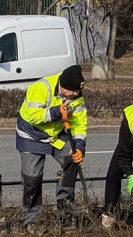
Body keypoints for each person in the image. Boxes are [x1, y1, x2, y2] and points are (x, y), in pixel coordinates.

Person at [15, 64, 87, 225]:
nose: (75, 94)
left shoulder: (77, 97)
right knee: (32, 178)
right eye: (73, 91)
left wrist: (80, 146)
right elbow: (33, 116)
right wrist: (56, 112)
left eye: (77, 91)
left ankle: (65, 199)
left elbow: (79, 124)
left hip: (56, 135)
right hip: (31, 135)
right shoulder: (40, 88)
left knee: (72, 157)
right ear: (62, 86)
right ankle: (31, 217)